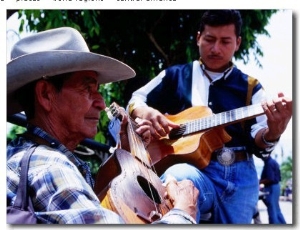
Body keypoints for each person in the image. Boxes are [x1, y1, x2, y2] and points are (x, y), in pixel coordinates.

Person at [6, 27, 199, 224]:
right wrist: (184, 210)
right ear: (45, 94)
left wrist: (124, 155)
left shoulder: (21, 154)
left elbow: (96, 202)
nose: (101, 103)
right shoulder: (49, 166)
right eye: (87, 88)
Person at [127, 10, 292, 223]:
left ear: (238, 43)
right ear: (198, 38)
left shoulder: (252, 88)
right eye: (209, 39)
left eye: (225, 41)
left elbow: (261, 143)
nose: (216, 48)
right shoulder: (175, 76)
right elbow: (136, 99)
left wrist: (274, 131)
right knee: (178, 177)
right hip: (192, 170)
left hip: (240, 177)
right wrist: (145, 111)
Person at [260, 155, 286, 224]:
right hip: (275, 186)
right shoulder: (272, 162)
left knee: (272, 210)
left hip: (271, 187)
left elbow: (270, 178)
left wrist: (258, 182)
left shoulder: (269, 163)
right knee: (276, 209)